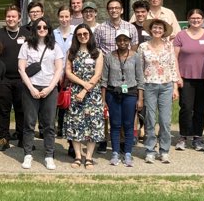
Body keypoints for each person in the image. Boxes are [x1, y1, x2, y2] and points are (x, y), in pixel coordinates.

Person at [17, 18, 64, 171]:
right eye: (39, 27)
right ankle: (28, 154)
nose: (42, 29)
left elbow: (59, 70)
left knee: (49, 125)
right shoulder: (26, 46)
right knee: (29, 123)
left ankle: (49, 155)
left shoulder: (55, 47)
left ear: (49, 29)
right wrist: (31, 88)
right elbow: (21, 69)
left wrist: (50, 88)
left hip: (49, 88)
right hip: (31, 88)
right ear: (34, 29)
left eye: (45, 27)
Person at [138, 18, 179, 164]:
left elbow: (173, 66)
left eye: (160, 28)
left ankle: (164, 150)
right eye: (155, 28)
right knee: (150, 119)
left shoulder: (169, 46)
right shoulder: (143, 46)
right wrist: (141, 93)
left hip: (166, 85)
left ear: (164, 31)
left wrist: (175, 87)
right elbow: (140, 70)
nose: (157, 30)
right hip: (149, 85)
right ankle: (150, 150)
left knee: (165, 120)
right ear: (150, 29)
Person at [64, 24, 105, 169]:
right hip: (76, 91)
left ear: (90, 35)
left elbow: (98, 74)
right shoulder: (71, 52)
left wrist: (85, 89)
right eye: (79, 34)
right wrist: (82, 85)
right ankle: (77, 156)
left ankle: (89, 157)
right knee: (75, 124)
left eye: (85, 34)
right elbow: (68, 73)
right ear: (76, 36)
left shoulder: (97, 53)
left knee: (92, 124)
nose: (83, 36)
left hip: (92, 94)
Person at [102, 28, 144, 167]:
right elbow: (104, 79)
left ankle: (127, 153)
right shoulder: (109, 56)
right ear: (116, 41)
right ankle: (114, 152)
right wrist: (103, 100)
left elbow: (140, 78)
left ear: (129, 41)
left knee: (128, 124)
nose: (122, 42)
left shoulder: (136, 56)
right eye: (119, 40)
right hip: (113, 93)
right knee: (115, 124)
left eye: (125, 40)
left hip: (130, 93)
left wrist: (140, 98)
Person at [173, 9, 204, 151]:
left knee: (200, 109)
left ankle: (197, 137)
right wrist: (177, 77)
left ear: (203, 19)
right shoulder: (181, 35)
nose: (196, 20)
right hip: (186, 78)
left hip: (203, 79)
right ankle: (183, 136)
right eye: (193, 18)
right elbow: (174, 58)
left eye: (199, 17)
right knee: (186, 108)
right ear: (188, 19)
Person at [0, 5, 28, 152]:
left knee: (21, 109)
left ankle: (22, 138)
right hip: (3, 79)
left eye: (13, 16)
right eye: (8, 16)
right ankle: (4, 138)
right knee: (4, 110)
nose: (10, 19)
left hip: (21, 78)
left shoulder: (26, 34)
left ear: (19, 18)